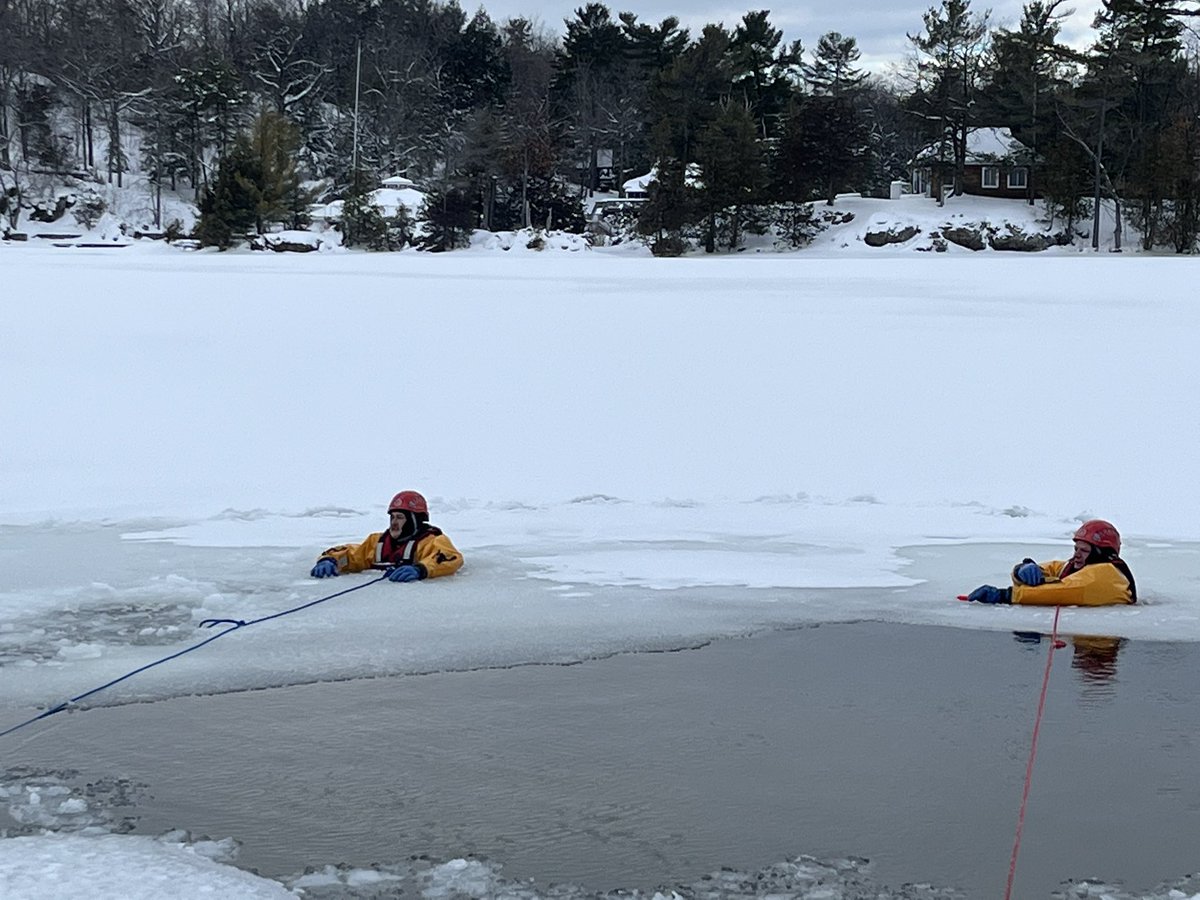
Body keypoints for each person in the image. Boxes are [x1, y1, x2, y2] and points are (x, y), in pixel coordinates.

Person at [965, 518, 1136, 607]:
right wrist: (1023, 570)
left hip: (1100, 644)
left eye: (1083, 551)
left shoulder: (1104, 575)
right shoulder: (1081, 567)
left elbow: (1058, 591)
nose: (1076, 555)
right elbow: (1055, 569)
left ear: (1101, 554)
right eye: (1076, 549)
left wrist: (1004, 595)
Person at [310, 490, 463, 583]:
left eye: (400, 517)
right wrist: (330, 560)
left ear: (414, 520)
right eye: (393, 517)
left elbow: (450, 558)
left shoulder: (433, 542)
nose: (394, 523)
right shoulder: (377, 543)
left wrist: (421, 569)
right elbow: (352, 555)